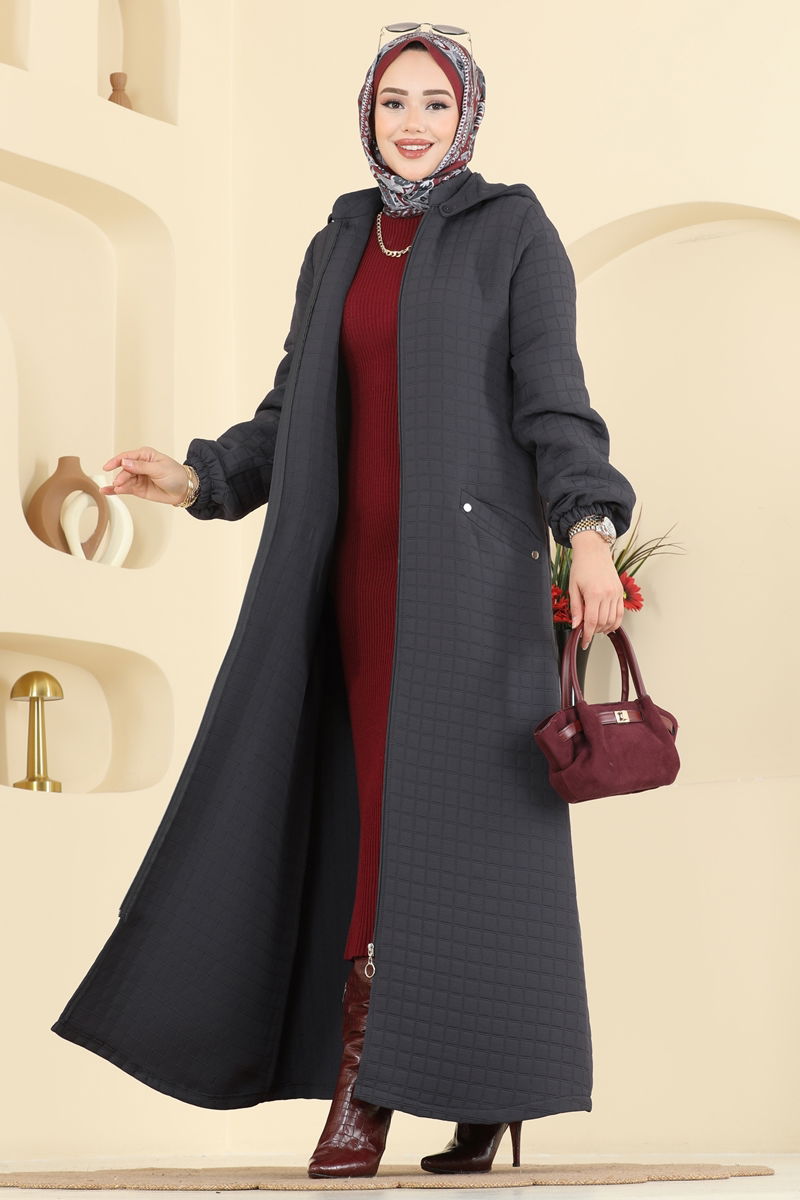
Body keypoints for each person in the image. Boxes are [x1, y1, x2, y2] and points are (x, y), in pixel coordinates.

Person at [64, 23, 635, 1180]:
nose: (412, 124)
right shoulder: (340, 237)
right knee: (360, 813)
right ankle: (395, 1079)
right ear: (367, 115)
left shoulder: (511, 231)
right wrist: (196, 477)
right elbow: (292, 413)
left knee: (466, 838)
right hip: (340, 581)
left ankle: (385, 1089)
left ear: (466, 115)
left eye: (434, 103)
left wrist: (586, 531)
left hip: (465, 593)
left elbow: (554, 404)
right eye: (392, 103)